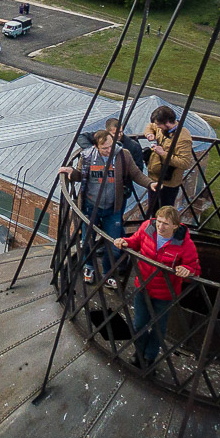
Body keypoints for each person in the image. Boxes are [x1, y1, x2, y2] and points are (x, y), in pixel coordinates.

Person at [61, 129, 154, 288]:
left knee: (114, 243)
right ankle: (89, 267)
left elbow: (136, 174)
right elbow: (82, 176)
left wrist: (150, 183)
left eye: (111, 146)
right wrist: (72, 172)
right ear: (96, 146)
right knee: (87, 241)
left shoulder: (123, 155)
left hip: (113, 207)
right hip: (91, 206)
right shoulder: (88, 156)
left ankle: (108, 273)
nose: (109, 150)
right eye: (105, 148)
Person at [114, 206, 201, 369]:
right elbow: (136, 240)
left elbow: (195, 267)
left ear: (176, 226)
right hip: (144, 287)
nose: (160, 227)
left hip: (165, 294)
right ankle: (140, 352)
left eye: (166, 224)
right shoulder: (148, 227)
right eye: (159, 222)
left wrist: (187, 270)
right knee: (139, 324)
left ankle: (149, 357)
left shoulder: (184, 243)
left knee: (159, 328)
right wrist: (125, 241)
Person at [144, 105, 195, 219]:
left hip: (168, 184)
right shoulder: (162, 127)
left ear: (167, 122)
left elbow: (185, 163)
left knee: (164, 215)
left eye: (159, 125)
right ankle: (152, 233)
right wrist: (149, 134)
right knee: (153, 211)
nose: (157, 127)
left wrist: (163, 154)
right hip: (154, 179)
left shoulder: (183, 138)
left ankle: (162, 234)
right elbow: (150, 126)